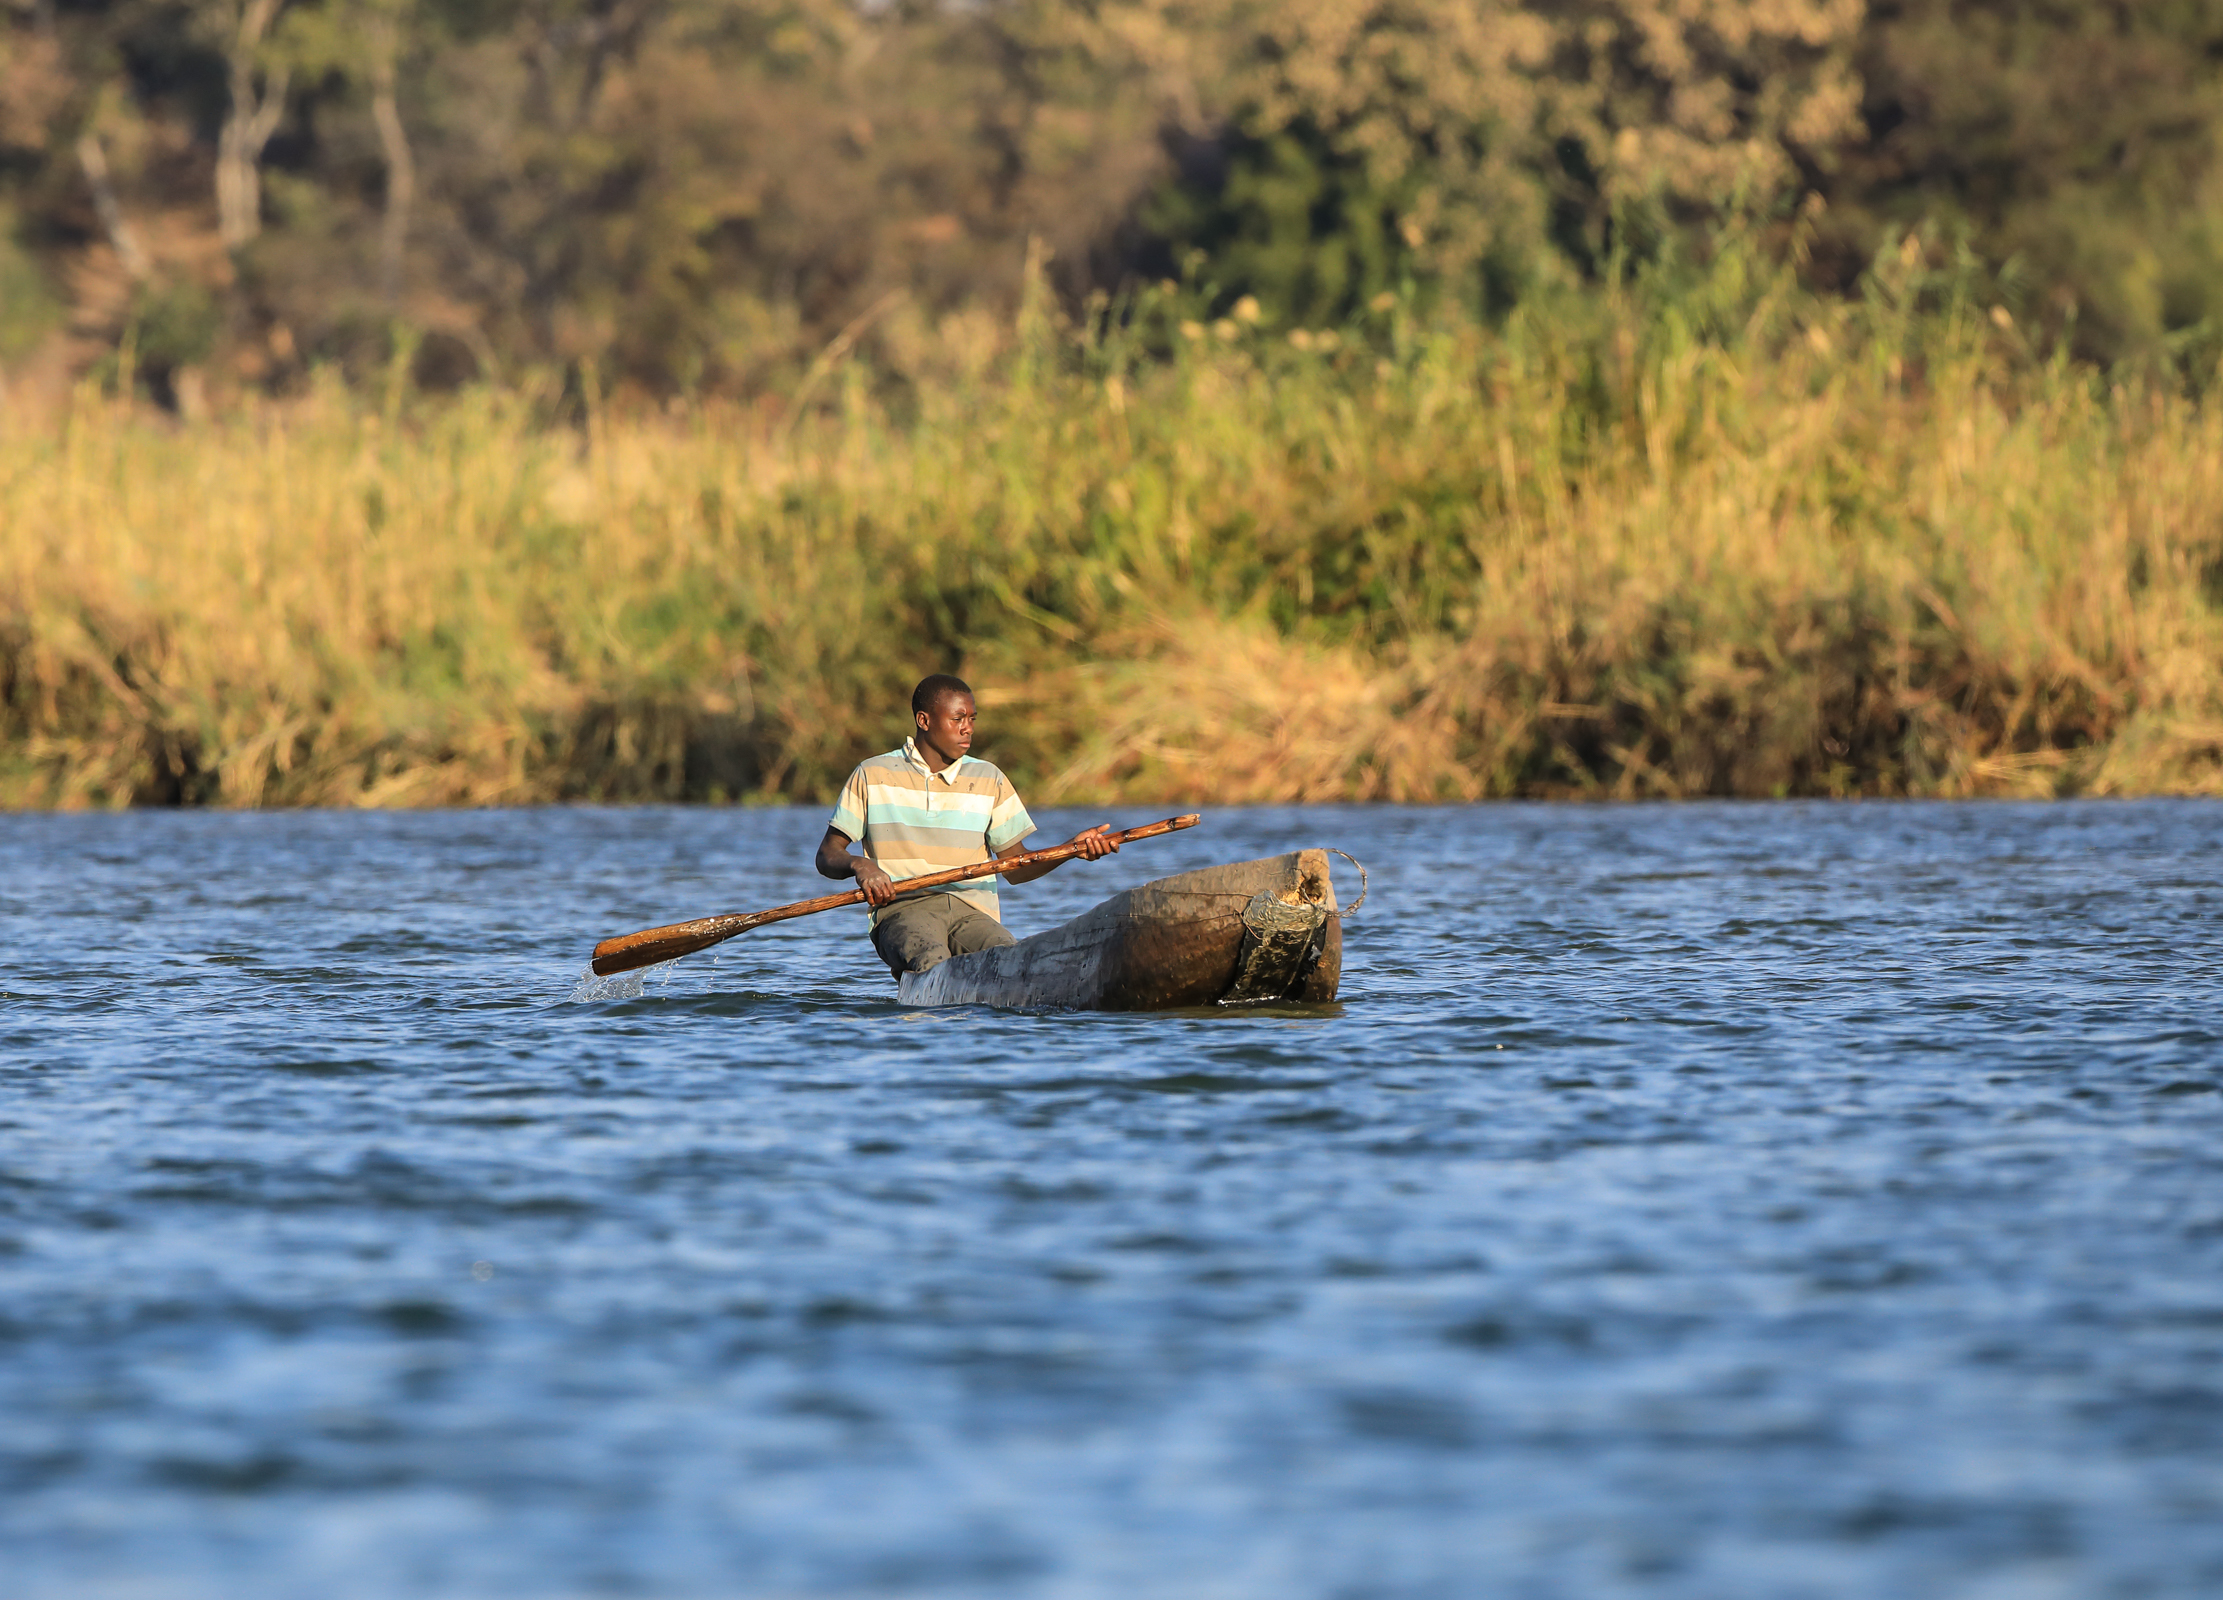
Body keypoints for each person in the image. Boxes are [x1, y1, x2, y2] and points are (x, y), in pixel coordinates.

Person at [816, 674, 1119, 978]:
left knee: (1011, 962)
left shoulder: (989, 778)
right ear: (924, 720)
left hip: (973, 913)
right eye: (958, 718)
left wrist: (1071, 849)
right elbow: (828, 853)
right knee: (931, 959)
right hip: (901, 911)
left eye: (972, 718)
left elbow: (1015, 867)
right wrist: (861, 866)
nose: (968, 728)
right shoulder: (872, 773)